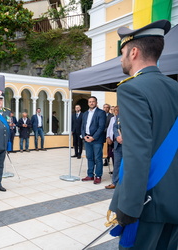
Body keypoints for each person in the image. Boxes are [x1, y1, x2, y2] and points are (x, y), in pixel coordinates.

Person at [109, 20, 178, 249]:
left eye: (122, 53)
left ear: (134, 52)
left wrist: (128, 207)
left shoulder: (131, 89)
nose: (121, 59)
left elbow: (136, 154)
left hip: (148, 204)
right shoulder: (175, 88)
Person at [81, 96, 106, 184]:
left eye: (93, 101)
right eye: (90, 102)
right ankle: (90, 175)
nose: (91, 103)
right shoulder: (85, 113)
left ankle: (98, 175)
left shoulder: (101, 113)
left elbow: (101, 127)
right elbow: (83, 126)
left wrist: (93, 137)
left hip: (97, 140)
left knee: (98, 158)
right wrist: (84, 136)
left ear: (96, 102)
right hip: (87, 139)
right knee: (89, 157)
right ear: (88, 103)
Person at [105, 106, 119, 189]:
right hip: (114, 142)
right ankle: (114, 182)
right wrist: (108, 137)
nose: (116, 111)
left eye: (117, 110)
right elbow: (110, 128)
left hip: (123, 143)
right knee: (116, 161)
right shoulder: (113, 119)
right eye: (115, 110)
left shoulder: (125, 118)